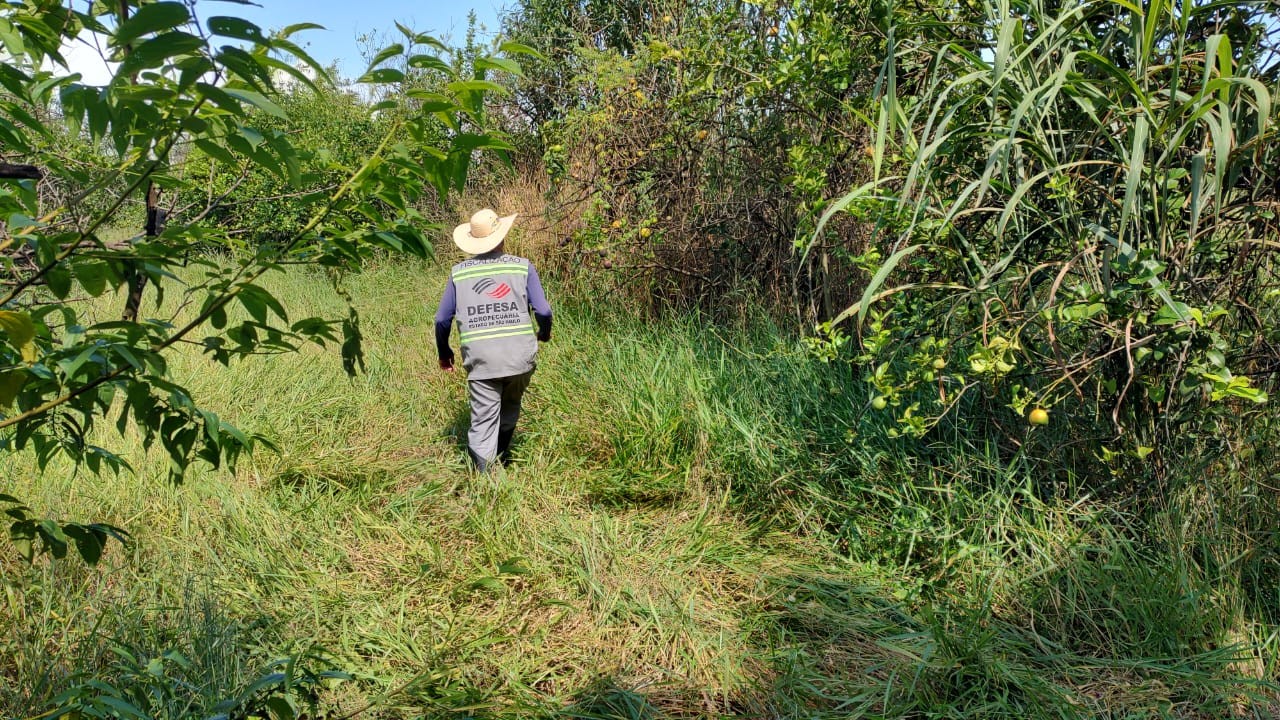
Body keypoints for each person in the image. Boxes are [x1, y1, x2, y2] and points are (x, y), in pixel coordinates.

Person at [435, 209, 553, 472]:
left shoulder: (459, 273)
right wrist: (544, 333)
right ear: (502, 236)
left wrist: (445, 353)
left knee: (483, 421)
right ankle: (501, 456)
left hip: (482, 360)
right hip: (521, 358)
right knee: (511, 405)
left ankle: (487, 480)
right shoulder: (523, 266)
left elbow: (442, 319)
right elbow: (544, 311)